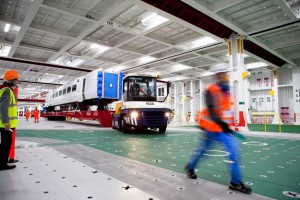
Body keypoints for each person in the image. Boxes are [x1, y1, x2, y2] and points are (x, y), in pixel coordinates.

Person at [184, 64, 252, 194]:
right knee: (202, 152)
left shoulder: (227, 90)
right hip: (210, 130)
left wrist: (226, 125)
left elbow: (226, 111)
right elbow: (211, 110)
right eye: (222, 73)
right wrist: (222, 124)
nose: (225, 75)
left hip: (223, 131)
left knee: (234, 153)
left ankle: (235, 183)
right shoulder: (210, 90)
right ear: (217, 75)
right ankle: (190, 167)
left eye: (225, 72)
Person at [0, 69, 20, 170]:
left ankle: (2, 161)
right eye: (16, 79)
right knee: (6, 144)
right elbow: (3, 107)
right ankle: (2, 164)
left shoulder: (7, 90)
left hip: (4, 124)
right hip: (5, 124)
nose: (17, 81)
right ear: (11, 80)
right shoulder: (7, 91)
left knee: (5, 143)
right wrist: (6, 122)